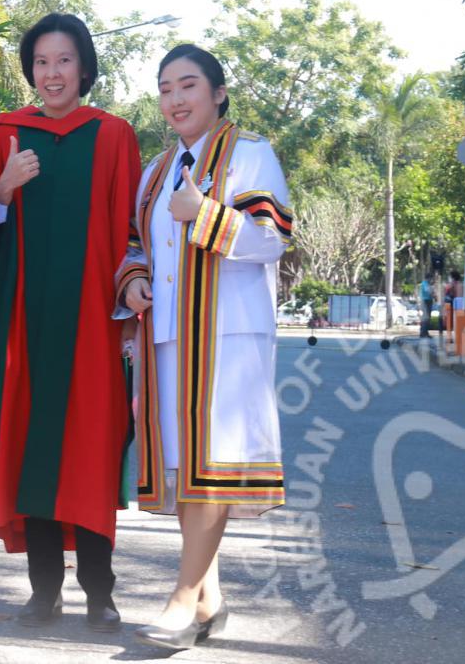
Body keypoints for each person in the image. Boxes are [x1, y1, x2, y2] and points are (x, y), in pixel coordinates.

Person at [0, 13, 141, 632]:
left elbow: (130, 230)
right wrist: (3, 188)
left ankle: (99, 592)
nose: (52, 73)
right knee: (30, 446)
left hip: (90, 323)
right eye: (41, 62)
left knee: (89, 449)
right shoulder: (7, 133)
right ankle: (44, 592)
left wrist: (127, 310)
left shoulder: (112, 134)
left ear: (84, 67)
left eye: (64, 60)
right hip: (22, 324)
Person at [119, 44, 291, 650]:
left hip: (226, 337)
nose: (175, 99)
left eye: (187, 85)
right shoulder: (156, 168)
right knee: (188, 470)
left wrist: (206, 214)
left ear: (218, 93)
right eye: (165, 89)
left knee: (210, 466)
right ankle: (209, 600)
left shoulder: (251, 154)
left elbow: (273, 238)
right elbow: (136, 246)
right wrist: (132, 280)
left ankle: (181, 598)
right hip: (168, 336)